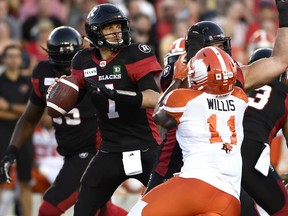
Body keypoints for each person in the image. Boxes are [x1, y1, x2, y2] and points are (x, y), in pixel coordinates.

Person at [0, 26, 127, 216]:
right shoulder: (43, 72)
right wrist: (12, 150)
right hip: (71, 152)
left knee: (48, 209)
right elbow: (29, 117)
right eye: (60, 64)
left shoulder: (92, 68)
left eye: (70, 62)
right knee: (103, 210)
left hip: (94, 151)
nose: (67, 69)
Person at [55, 3, 162, 216]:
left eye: (118, 26)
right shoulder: (82, 60)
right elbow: (71, 99)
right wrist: (58, 94)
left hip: (146, 146)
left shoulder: (136, 53)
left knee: (172, 205)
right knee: (83, 209)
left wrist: (116, 94)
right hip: (110, 150)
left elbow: (154, 99)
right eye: (109, 28)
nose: (116, 32)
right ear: (95, 32)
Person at [129, 46, 248, 215]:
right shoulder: (240, 98)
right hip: (230, 200)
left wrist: (177, 79)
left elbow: (158, 116)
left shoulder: (184, 99)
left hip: (196, 186)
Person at [241, 47, 288, 215]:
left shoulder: (240, 86)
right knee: (283, 208)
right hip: (251, 153)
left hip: (221, 153)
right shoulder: (283, 94)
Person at [0, 44, 33, 216]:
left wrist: (9, 107)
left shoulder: (28, 82)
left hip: (24, 136)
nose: (13, 59)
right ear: (4, 59)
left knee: (25, 180)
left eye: (16, 56)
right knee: (0, 180)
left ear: (21, 59)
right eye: (10, 56)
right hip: (3, 134)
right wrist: (23, 113)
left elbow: (34, 110)